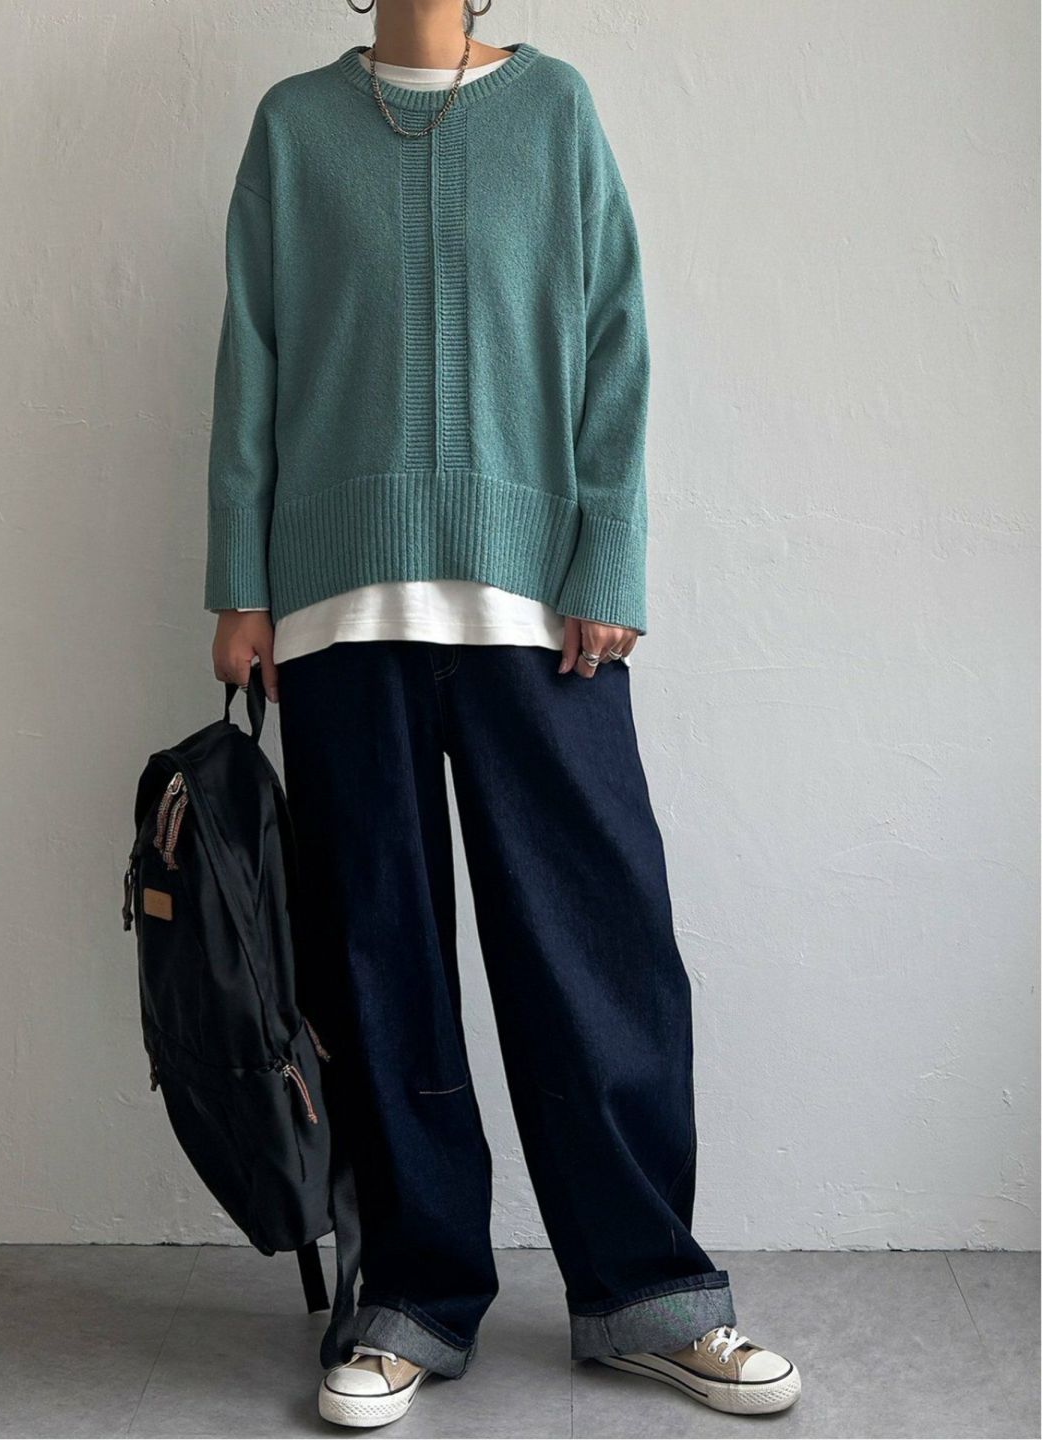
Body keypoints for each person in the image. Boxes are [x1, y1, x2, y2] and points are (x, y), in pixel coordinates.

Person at [205, 0, 801, 1426]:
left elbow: (615, 341)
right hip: (338, 607)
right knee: (377, 965)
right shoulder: (294, 128)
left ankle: (649, 1290)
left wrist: (610, 561)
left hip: (542, 616)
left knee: (599, 947)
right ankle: (411, 1297)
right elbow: (252, 357)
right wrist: (239, 586)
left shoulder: (557, 112)